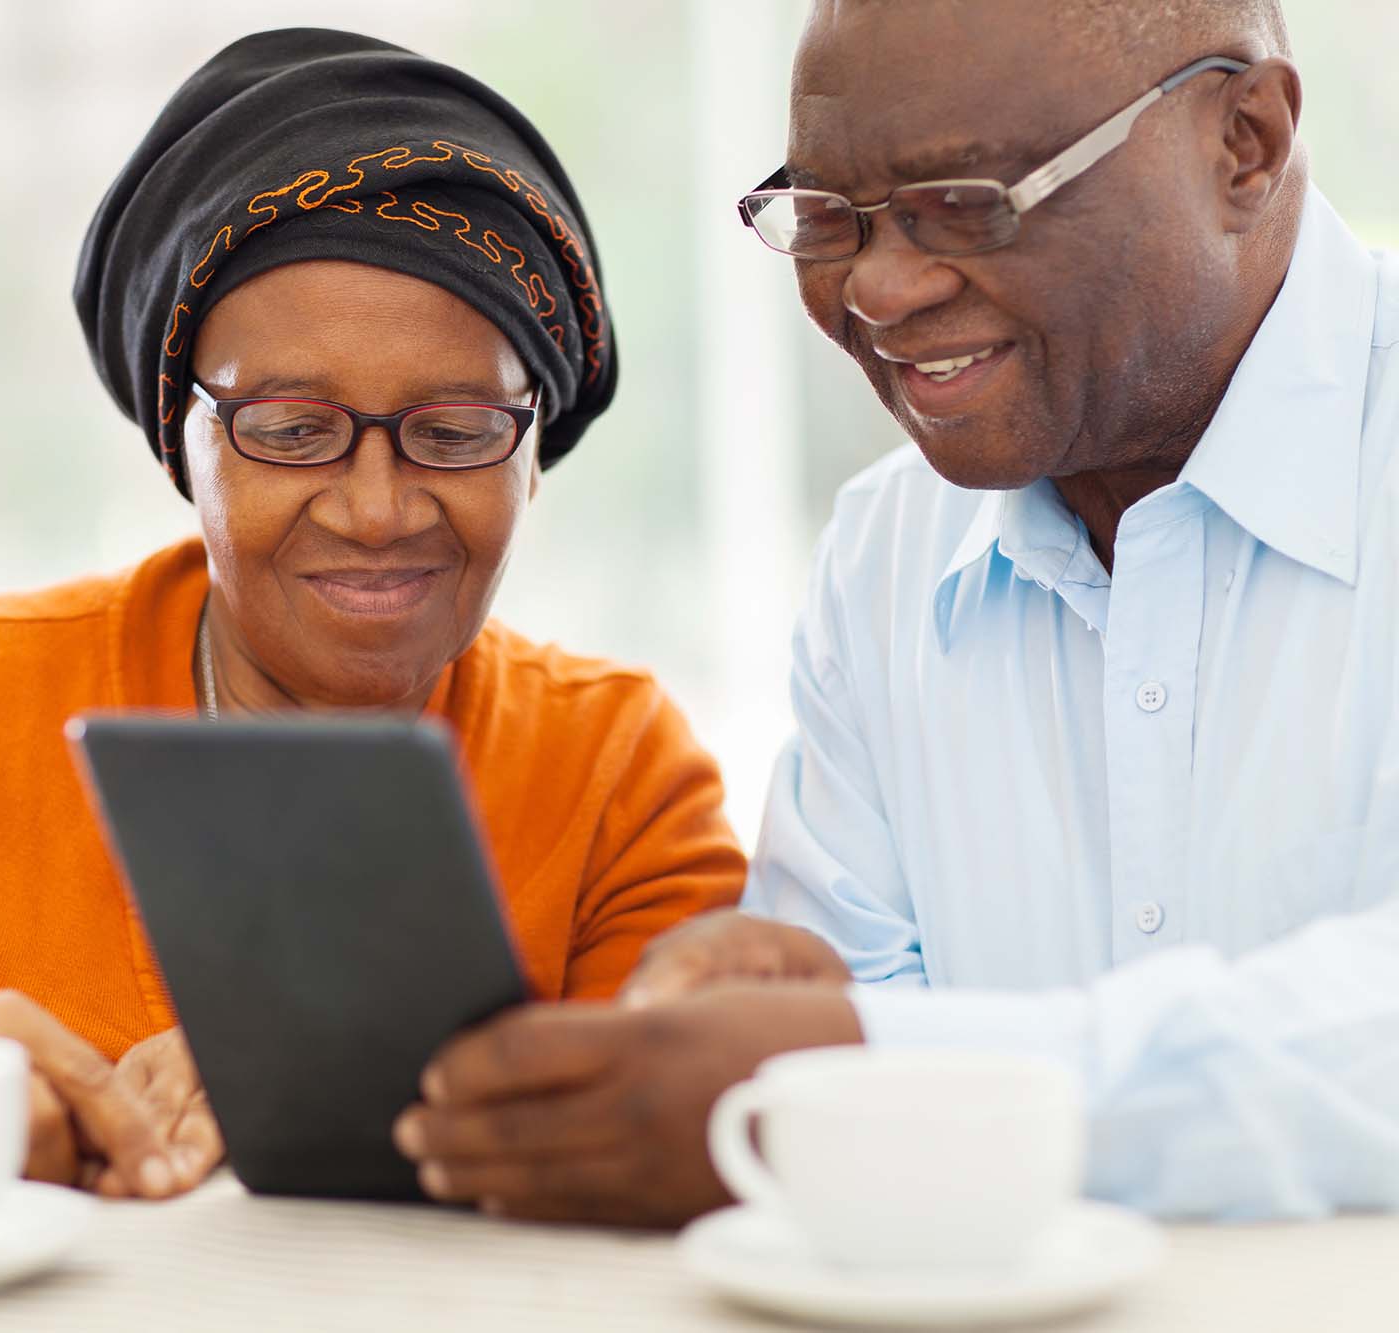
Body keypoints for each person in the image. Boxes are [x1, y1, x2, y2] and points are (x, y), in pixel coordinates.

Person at [393, 0, 1399, 1226]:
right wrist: (759, 1012)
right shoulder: (887, 551)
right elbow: (832, 1022)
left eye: (967, 201)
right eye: (824, 218)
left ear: (1240, 141)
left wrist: (864, 1059)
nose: (874, 287)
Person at [0, 28, 745, 1200]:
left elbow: (675, 1176)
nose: (374, 508)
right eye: (290, 429)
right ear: (181, 445)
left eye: (455, 432)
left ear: (533, 453)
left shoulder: (616, 777)